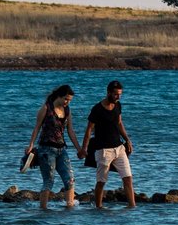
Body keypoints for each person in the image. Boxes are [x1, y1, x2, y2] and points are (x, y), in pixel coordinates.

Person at [23, 84, 81, 210]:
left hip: (62, 150)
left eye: (70, 100)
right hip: (46, 150)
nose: (67, 102)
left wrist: (79, 149)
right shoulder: (46, 108)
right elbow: (37, 127)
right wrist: (31, 145)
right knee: (49, 181)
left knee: (70, 180)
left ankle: (69, 208)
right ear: (59, 96)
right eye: (66, 99)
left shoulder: (67, 110)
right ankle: (43, 209)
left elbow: (70, 131)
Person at [81, 79, 135, 208]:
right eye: (116, 94)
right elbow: (89, 129)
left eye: (120, 94)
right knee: (101, 181)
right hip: (103, 151)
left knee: (128, 178)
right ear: (108, 92)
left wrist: (127, 140)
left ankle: (132, 206)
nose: (118, 97)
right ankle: (98, 207)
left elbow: (119, 123)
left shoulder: (118, 105)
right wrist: (84, 148)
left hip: (119, 148)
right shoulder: (97, 109)